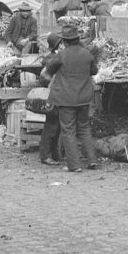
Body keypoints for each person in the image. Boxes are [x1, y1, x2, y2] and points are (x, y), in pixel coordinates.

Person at [42, 25, 99, 172]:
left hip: (66, 98)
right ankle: (92, 161)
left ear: (65, 41)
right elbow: (94, 71)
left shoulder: (61, 55)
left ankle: (74, 165)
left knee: (68, 131)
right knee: (84, 129)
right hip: (84, 98)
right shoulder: (87, 54)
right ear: (77, 39)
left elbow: (47, 72)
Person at [38, 33, 64, 166]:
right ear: (57, 45)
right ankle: (46, 155)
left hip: (56, 95)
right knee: (52, 126)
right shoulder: (52, 59)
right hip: (53, 95)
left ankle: (53, 154)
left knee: (56, 126)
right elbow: (45, 78)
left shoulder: (52, 57)